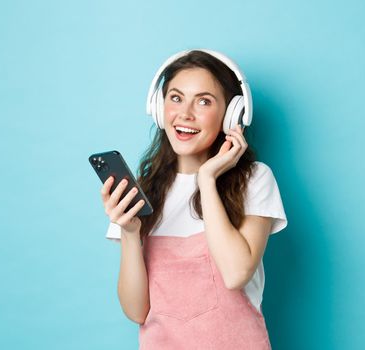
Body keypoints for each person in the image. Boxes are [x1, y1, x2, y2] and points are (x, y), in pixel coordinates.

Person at [100, 49, 287, 349]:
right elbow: (136, 311)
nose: (185, 113)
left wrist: (207, 180)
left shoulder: (254, 179)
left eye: (203, 101)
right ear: (159, 109)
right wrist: (130, 232)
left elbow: (236, 273)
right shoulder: (142, 191)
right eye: (175, 98)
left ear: (231, 115)